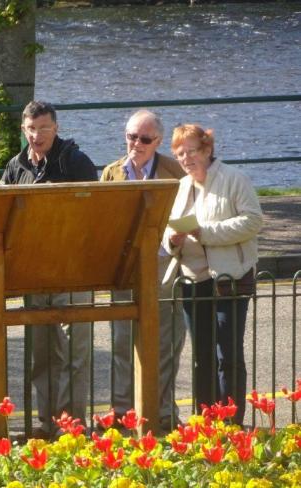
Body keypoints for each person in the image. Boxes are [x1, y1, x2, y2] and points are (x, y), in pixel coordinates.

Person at [0, 100, 97, 439]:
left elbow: (94, 211)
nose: (36, 135)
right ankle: (45, 423)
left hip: (74, 267)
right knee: (42, 351)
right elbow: (2, 212)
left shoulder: (76, 161)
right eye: (30, 128)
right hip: (34, 269)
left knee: (74, 351)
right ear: (23, 129)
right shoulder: (16, 166)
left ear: (56, 128)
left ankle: (71, 425)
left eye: (43, 128)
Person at [162, 124, 262, 426]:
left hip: (228, 278)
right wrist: (172, 239)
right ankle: (205, 422)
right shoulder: (181, 186)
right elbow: (167, 227)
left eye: (192, 151)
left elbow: (253, 221)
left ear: (207, 149)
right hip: (193, 280)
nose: (186, 158)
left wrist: (204, 233)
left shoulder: (233, 179)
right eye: (180, 154)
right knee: (201, 355)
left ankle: (231, 422)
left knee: (227, 354)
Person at [100, 109, 187, 432]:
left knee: (165, 343)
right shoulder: (112, 172)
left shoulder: (175, 172)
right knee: (123, 343)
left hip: (165, 265)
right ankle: (124, 412)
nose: (137, 143)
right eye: (131, 137)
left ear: (159, 141)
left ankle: (161, 411)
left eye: (145, 139)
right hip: (125, 268)